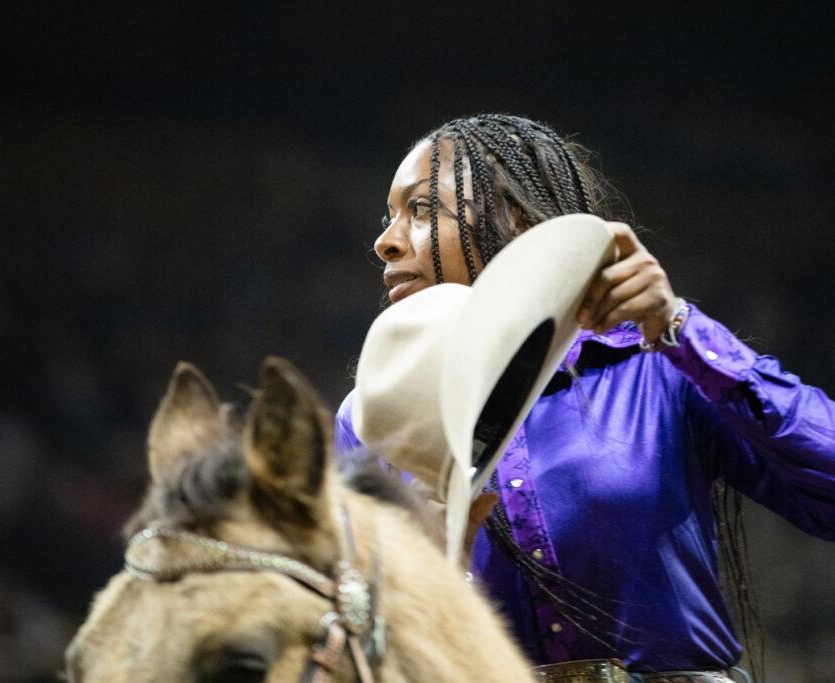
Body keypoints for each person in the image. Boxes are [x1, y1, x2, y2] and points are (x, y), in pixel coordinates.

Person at [333, 113, 835, 682]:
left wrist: (679, 330)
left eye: (422, 211)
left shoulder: (656, 366)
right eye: (388, 219)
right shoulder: (373, 421)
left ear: (517, 221)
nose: (385, 242)